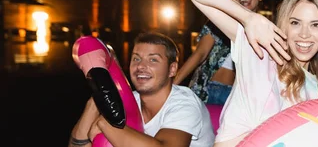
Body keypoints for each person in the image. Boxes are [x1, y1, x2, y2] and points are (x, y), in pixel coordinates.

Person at [185, 0, 318, 146]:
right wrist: (248, 18)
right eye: (295, 23)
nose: (304, 34)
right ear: (285, 24)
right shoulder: (259, 52)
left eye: (316, 25)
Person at [69, 32, 215, 147]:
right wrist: (95, 99)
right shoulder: (127, 99)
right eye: (136, 59)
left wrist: (105, 125)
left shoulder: (184, 104)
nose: (141, 66)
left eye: (153, 60)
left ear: (172, 69)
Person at [174, 0, 264, 105]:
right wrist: (172, 85)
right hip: (210, 90)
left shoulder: (265, 30)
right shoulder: (219, 21)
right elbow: (200, 54)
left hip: (241, 100)